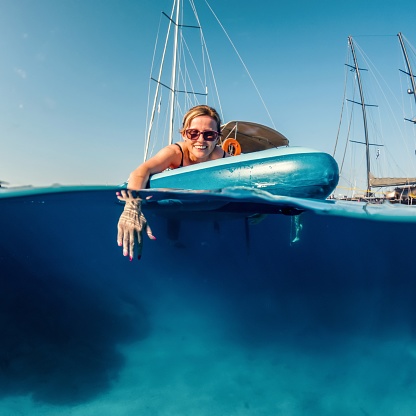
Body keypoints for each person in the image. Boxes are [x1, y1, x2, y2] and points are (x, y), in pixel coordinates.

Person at [117, 104, 229, 261]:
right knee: (173, 209)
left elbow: (242, 182)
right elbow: (141, 172)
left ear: (217, 137)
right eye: (193, 133)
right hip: (175, 195)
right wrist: (131, 208)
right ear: (184, 134)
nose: (201, 140)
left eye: (209, 135)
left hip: (204, 198)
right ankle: (172, 243)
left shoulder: (223, 158)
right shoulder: (176, 152)